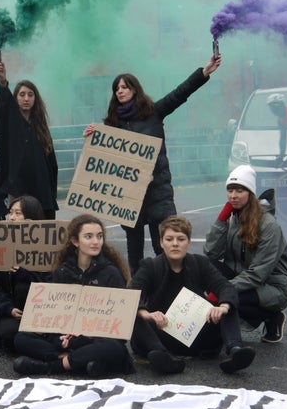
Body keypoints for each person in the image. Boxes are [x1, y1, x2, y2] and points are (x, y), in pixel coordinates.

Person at [82, 54, 222, 274]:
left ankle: (168, 288)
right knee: (134, 249)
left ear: (134, 90)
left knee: (163, 245)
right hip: (130, 197)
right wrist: (91, 136)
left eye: (124, 87)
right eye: (116, 88)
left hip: (158, 191)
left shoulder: (153, 113)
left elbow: (180, 93)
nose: (120, 91)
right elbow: (102, 161)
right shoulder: (112, 126)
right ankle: (139, 295)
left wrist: (203, 73)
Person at [12, 214, 135, 378]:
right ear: (75, 241)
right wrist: (63, 337)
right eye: (88, 236)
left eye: (99, 236)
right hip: (67, 339)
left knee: (113, 348)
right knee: (21, 338)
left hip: (96, 340)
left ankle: (53, 366)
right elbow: (55, 315)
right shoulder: (62, 271)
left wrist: (85, 339)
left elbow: (118, 327)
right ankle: (80, 363)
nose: (96, 241)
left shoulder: (111, 273)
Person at [130, 216, 255, 375]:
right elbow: (133, 293)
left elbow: (225, 286)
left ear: (188, 243)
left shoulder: (199, 263)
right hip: (160, 334)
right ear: (161, 242)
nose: (175, 243)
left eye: (181, 239)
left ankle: (235, 351)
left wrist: (223, 307)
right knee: (135, 316)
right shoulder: (150, 266)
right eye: (169, 239)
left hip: (196, 335)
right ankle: (164, 358)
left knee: (229, 304)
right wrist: (146, 314)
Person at [204, 165, 287, 343]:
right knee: (205, 266)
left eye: (239, 190)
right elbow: (211, 253)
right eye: (230, 190)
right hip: (242, 277)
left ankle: (271, 316)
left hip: (272, 287)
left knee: (229, 297)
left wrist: (224, 290)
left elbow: (258, 274)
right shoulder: (234, 217)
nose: (233, 196)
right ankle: (219, 326)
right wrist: (221, 221)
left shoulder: (269, 226)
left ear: (250, 194)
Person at [0, 195, 52, 352]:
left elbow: (51, 285)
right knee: (8, 331)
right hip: (15, 315)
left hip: (43, 313)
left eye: (18, 213)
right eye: (10, 212)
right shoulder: (0, 247)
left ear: (31, 217)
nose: (12, 217)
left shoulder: (48, 249)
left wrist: (25, 274)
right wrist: (8, 309)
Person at [0, 61, 58, 219]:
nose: (26, 98)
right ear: (15, 98)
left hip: (42, 189)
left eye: (30, 95)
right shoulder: (10, 124)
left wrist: (52, 191)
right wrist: (3, 82)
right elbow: (3, 105)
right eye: (22, 94)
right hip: (19, 188)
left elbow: (51, 162)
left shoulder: (41, 127)